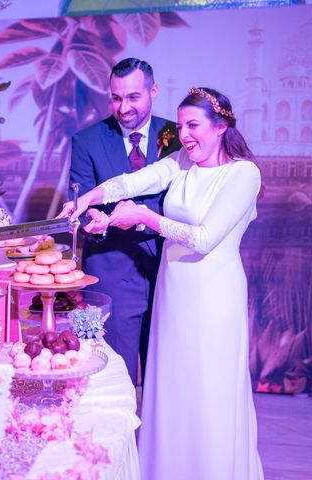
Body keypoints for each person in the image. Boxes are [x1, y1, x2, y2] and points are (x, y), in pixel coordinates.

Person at [59, 87, 263, 479]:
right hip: (174, 294)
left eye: (194, 125)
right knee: (171, 391)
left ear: (220, 127)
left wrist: (144, 218)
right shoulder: (182, 162)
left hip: (213, 298)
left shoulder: (243, 174)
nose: (184, 134)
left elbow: (204, 238)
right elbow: (131, 183)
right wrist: (87, 200)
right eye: (181, 124)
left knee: (208, 392)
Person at [68, 57, 181, 386]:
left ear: (154, 91)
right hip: (112, 270)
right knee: (116, 378)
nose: (124, 107)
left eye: (133, 97)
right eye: (116, 97)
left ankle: (158, 440)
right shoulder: (87, 140)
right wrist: (95, 219)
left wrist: (146, 221)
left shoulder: (176, 136)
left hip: (170, 268)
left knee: (168, 382)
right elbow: (83, 196)